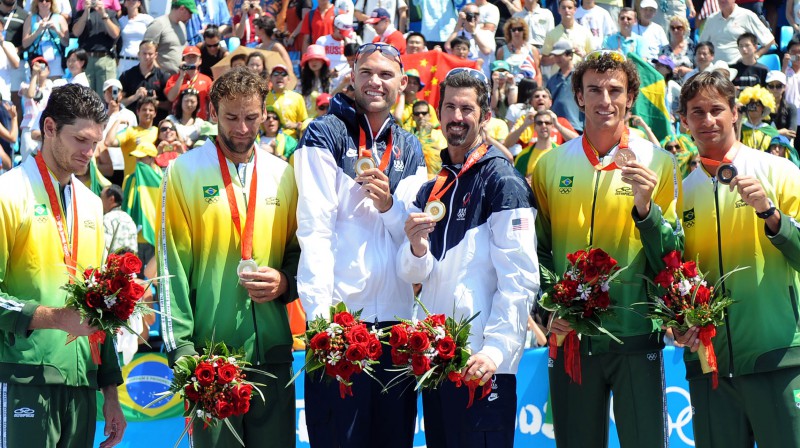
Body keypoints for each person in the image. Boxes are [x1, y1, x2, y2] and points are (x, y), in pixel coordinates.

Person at [531, 50, 682, 448]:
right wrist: (551, 309)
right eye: (593, 90)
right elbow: (539, 252)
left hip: (635, 337)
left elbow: (673, 259)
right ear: (578, 97)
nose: (605, 100)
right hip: (572, 341)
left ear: (630, 97)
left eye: (615, 90)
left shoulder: (660, 164)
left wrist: (646, 209)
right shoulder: (549, 166)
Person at [158, 67, 300, 447]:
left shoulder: (283, 174)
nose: (241, 128)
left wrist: (285, 282)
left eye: (251, 117)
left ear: (265, 114)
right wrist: (183, 352)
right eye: (231, 117)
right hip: (211, 359)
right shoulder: (183, 173)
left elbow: (298, 253)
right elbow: (172, 268)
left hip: (272, 353)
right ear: (212, 113)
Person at [398, 67, 538, 448]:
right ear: (438, 112)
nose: (457, 117)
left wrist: (495, 350)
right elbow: (415, 272)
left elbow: (521, 278)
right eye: (449, 107)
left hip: (481, 365)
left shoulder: (503, 180)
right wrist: (414, 246)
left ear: (486, 116)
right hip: (439, 362)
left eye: (467, 109)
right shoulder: (434, 186)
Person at [295, 42, 427, 448]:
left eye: (386, 75)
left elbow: (409, 236)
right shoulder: (323, 132)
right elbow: (314, 230)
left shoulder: (409, 146)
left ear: (402, 84)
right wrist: (321, 320)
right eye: (367, 72)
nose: (376, 82)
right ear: (352, 76)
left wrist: (389, 206)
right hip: (340, 327)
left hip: (396, 329)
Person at [675, 69, 800, 448]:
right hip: (709, 367)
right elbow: (678, 277)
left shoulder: (778, 171)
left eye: (716, 109)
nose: (707, 120)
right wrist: (681, 321)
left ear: (735, 113)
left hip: (776, 358)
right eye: (697, 112)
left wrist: (771, 215)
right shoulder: (682, 191)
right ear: (684, 121)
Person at [0, 83, 126, 447]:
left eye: (96, 141)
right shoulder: (10, 193)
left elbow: (102, 308)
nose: (90, 152)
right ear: (50, 127)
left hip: (83, 385)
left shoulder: (91, 204)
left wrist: (111, 393)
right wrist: (53, 317)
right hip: (24, 378)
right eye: (80, 140)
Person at [699, 0, 775, 66]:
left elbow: (769, 41)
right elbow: (702, 45)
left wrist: (756, 55)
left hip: (740, 70)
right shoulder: (711, 19)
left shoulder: (747, 16)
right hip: (715, 71)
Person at [70, 0, 120, 97]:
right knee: (85, 96)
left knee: (107, 95)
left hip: (105, 58)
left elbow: (115, 33)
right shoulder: (81, 14)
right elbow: (76, 32)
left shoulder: (110, 13)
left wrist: (103, 14)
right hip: (86, 59)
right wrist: (85, 13)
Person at [119, 40, 171, 122]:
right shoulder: (127, 75)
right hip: (132, 123)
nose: (147, 57)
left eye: (150, 54)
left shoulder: (163, 76)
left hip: (156, 123)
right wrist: (135, 97)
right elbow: (119, 103)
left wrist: (155, 102)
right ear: (138, 54)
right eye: (144, 53)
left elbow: (170, 105)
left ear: (155, 55)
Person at [142, 0, 195, 76]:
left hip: (178, 77)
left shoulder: (182, 26)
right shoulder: (158, 24)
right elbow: (145, 51)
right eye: (190, 13)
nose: (191, 17)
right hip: (161, 78)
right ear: (182, 9)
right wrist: (160, 74)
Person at [541, 0, 595, 74]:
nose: (566, 10)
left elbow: (593, 58)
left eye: (570, 8)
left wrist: (582, 54)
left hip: (579, 75)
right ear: (559, 10)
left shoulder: (585, 32)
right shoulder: (552, 33)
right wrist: (559, 56)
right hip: (558, 78)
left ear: (575, 10)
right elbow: (543, 61)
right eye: (563, 8)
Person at [22, 0, 69, 80]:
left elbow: (66, 43)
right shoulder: (30, 18)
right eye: (41, 0)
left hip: (55, 57)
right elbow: (25, 43)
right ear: (37, 3)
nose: (44, 3)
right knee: (37, 86)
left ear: (52, 2)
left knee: (55, 88)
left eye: (47, 0)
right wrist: (38, 31)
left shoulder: (59, 18)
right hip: (37, 57)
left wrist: (56, 30)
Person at [164, 45, 213, 120]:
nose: (191, 59)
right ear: (183, 60)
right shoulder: (174, 78)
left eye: (194, 57)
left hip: (199, 121)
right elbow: (171, 98)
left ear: (200, 61)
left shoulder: (206, 80)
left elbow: (212, 102)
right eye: (188, 57)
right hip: (178, 120)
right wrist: (181, 76)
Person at [445, 3, 495, 75]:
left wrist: (473, 32)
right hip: (461, 74)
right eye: (469, 14)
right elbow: (448, 47)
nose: (473, 17)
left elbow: (486, 51)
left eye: (476, 14)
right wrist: (459, 24)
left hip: (480, 74)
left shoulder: (487, 33)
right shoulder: (457, 33)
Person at [19, 56, 53, 162]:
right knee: (28, 161)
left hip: (45, 129)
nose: (40, 68)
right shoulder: (24, 85)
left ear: (49, 70)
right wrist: (34, 74)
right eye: (36, 65)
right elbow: (30, 94)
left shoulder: (53, 87)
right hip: (29, 128)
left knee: (46, 163)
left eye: (43, 65)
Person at [545, 40, 582, 132]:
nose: (557, 58)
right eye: (555, 55)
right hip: (556, 128)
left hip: (577, 126)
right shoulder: (552, 80)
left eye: (560, 55)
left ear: (570, 55)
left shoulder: (581, 76)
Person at [512, 108, 558, 177]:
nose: (543, 126)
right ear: (535, 126)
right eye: (539, 123)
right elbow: (516, 183)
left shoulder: (562, 152)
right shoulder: (523, 156)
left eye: (547, 123)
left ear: (552, 126)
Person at [265, 64, 307, 139]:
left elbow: (304, 123)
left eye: (284, 74)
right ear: (270, 79)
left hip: (291, 140)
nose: (279, 77)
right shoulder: (264, 98)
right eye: (276, 74)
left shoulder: (297, 98)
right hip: (269, 139)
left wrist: (295, 125)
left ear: (289, 79)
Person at [496, 16, 541, 84]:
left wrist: (538, 90)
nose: (516, 32)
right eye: (513, 29)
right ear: (509, 31)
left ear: (524, 31)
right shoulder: (501, 51)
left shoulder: (532, 50)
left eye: (519, 29)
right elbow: (498, 73)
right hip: (509, 89)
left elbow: (538, 74)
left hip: (528, 88)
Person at [738, 85, 779, 152]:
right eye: (751, 104)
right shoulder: (740, 128)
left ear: (763, 108)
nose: (754, 107)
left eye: (757, 104)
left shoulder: (771, 131)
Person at [101, 183, 138, 256]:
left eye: (102, 197)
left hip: (113, 264)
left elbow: (104, 247)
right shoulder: (129, 218)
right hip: (129, 264)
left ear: (111, 199)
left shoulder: (107, 218)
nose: (100, 201)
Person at [117, 0, 153, 74]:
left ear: (139, 3)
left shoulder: (147, 19)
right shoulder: (121, 20)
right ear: (125, 4)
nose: (131, 1)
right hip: (124, 60)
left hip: (141, 60)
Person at [297, 44, 331, 118]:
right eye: (311, 59)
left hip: (325, 119)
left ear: (323, 61)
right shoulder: (301, 82)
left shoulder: (330, 81)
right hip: (306, 120)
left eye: (317, 59)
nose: (313, 62)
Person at [658, 14, 695, 81]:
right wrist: (667, 71)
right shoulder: (663, 50)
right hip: (668, 86)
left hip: (687, 85)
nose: (675, 30)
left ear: (685, 29)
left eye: (679, 28)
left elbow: (699, 70)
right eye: (672, 28)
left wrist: (688, 71)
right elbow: (658, 70)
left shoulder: (692, 48)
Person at [765, 70, 797, 140]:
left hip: (783, 147)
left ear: (784, 87)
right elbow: (756, 130)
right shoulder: (761, 107)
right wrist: (780, 132)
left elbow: (792, 133)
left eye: (778, 86)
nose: (774, 89)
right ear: (767, 87)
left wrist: (769, 133)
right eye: (771, 86)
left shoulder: (791, 108)